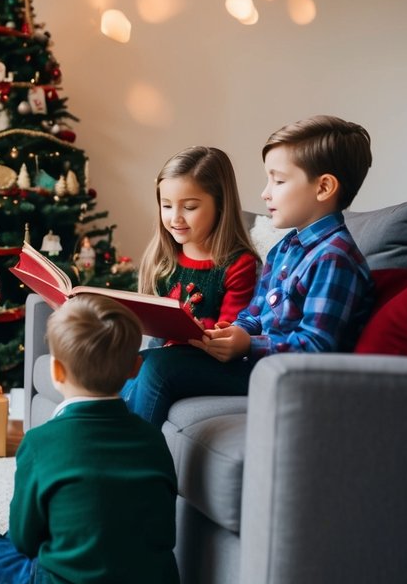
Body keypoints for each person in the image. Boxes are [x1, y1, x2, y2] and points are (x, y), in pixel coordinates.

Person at [0, 295, 180, 584]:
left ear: (56, 371)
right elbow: (165, 532)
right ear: (135, 367)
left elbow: (26, 542)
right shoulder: (153, 437)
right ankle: (4, 583)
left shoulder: (41, 442)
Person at [123, 115, 375, 427]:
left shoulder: (334, 258)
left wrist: (248, 345)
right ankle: (102, 442)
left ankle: (127, 462)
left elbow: (317, 348)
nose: (265, 193)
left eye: (278, 181)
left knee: (160, 368)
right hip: (254, 363)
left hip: (285, 377)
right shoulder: (287, 247)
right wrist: (236, 331)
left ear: (323, 187)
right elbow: (254, 313)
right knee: (141, 362)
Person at [136, 146, 259, 341]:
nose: (175, 217)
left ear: (220, 204)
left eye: (189, 207)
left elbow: (228, 335)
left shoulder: (238, 265)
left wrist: (200, 331)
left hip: (203, 360)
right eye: (166, 205)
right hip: (160, 354)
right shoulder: (163, 258)